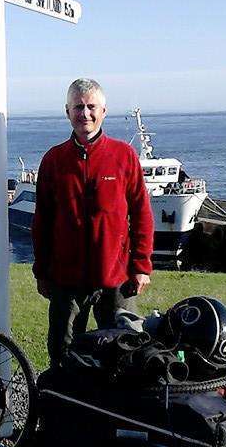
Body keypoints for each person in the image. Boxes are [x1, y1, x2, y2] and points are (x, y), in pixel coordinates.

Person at [32, 78, 154, 368]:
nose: (84, 114)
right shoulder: (54, 160)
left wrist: (141, 266)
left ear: (103, 111)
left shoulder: (124, 156)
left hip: (116, 278)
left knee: (125, 355)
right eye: (78, 107)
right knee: (63, 355)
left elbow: (141, 213)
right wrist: (42, 270)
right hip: (66, 280)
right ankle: (64, 410)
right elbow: (43, 221)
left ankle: (116, 412)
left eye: (91, 107)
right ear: (67, 111)